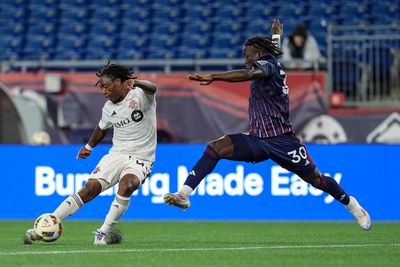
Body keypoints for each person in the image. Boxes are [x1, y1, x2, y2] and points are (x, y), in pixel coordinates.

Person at [163, 19, 371, 231]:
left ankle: (352, 205)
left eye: (247, 55)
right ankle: (184, 194)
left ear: (259, 54)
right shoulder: (270, 60)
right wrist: (276, 37)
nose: (246, 60)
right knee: (215, 147)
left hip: (283, 141)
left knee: (316, 180)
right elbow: (271, 55)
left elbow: (252, 72)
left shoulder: (266, 66)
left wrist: (214, 76)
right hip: (257, 140)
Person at [25, 62, 158, 245]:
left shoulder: (141, 96)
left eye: (106, 86)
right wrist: (89, 147)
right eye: (101, 87)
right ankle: (50, 222)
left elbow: (153, 87)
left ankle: (102, 233)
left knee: (128, 185)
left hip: (141, 157)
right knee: (90, 189)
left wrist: (136, 83)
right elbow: (102, 128)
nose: (103, 91)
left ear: (120, 82)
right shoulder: (108, 108)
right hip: (116, 154)